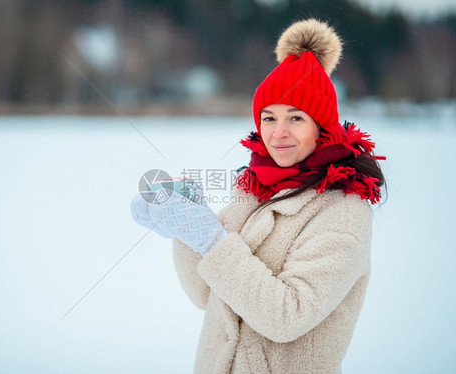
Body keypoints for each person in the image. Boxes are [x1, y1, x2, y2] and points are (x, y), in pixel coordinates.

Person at [131, 18, 385, 374]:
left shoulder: (343, 210)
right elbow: (206, 296)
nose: (278, 133)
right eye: (269, 118)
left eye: (295, 118)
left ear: (322, 126)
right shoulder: (254, 189)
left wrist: (210, 238)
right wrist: (186, 224)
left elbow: (287, 316)